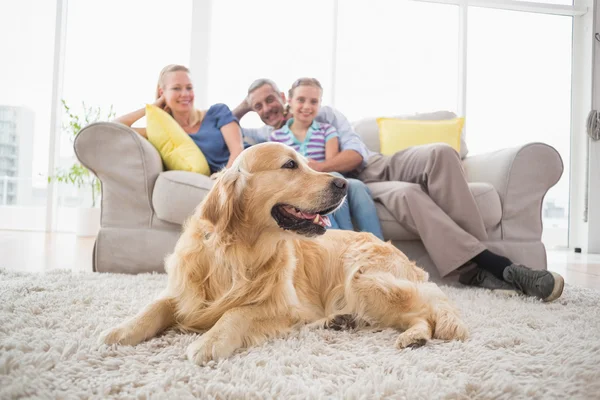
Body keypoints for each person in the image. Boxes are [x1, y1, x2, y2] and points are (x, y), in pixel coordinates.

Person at [233, 78, 565, 302]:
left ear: (283, 96)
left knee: (441, 153)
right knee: (408, 196)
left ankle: (482, 267)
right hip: (360, 186)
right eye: (257, 107)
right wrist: (244, 107)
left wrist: (316, 169)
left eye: (268, 100)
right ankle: (500, 268)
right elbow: (223, 125)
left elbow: (354, 154)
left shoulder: (324, 114)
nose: (265, 110)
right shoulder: (267, 139)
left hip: (375, 164)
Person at [269, 77, 384, 240]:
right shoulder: (276, 137)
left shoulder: (327, 130)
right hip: (301, 186)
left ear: (320, 104)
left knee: (357, 186)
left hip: (327, 178)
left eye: (314, 102)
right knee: (340, 181)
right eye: (301, 100)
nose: (307, 106)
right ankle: (344, 239)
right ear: (290, 101)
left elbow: (331, 168)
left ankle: (377, 243)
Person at [115, 64, 245, 175]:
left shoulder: (217, 112)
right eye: (176, 88)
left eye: (189, 88)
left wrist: (223, 179)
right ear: (162, 93)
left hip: (246, 168)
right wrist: (152, 107)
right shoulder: (165, 134)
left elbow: (238, 150)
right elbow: (115, 129)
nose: (185, 94)